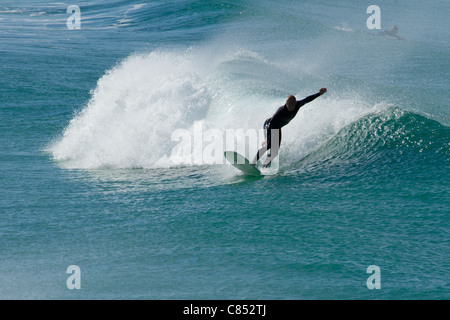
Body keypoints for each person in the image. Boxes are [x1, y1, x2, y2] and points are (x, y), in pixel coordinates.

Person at [252, 88, 327, 167]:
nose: (291, 107)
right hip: (269, 125)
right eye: (289, 105)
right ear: (286, 103)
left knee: (275, 152)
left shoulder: (298, 104)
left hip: (277, 127)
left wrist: (319, 94)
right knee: (269, 145)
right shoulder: (280, 111)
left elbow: (307, 99)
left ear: (295, 103)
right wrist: (267, 138)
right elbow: (271, 124)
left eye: (292, 105)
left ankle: (264, 166)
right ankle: (253, 162)